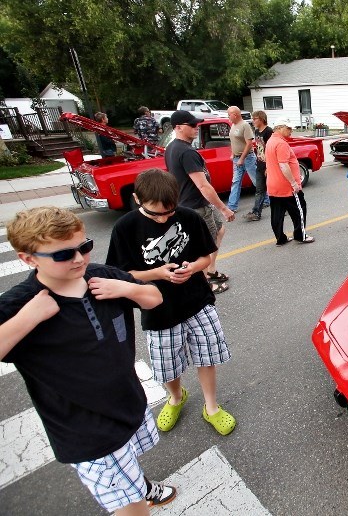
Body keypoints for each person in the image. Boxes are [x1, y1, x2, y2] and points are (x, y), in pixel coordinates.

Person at [0, 206, 176, 514]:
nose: (80, 259)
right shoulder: (19, 304)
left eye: (84, 247)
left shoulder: (101, 276)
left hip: (127, 402)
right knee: (131, 508)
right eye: (62, 255)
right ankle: (137, 493)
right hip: (85, 429)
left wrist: (126, 288)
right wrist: (28, 318)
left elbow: (155, 298)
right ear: (28, 259)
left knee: (129, 463)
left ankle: (141, 485)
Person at [107, 169, 236, 437]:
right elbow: (122, 275)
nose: (164, 218)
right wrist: (157, 273)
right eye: (156, 214)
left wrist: (193, 268)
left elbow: (206, 256)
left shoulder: (187, 216)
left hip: (198, 301)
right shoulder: (125, 228)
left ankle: (211, 406)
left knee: (207, 355)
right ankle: (176, 397)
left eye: (170, 211)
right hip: (158, 310)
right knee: (166, 364)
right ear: (136, 199)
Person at [164, 110, 234, 291]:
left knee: (219, 230)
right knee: (202, 247)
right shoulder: (186, 152)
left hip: (190, 204)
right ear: (178, 127)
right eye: (192, 125)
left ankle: (210, 270)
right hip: (196, 207)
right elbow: (203, 186)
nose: (196, 128)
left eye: (196, 124)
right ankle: (204, 284)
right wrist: (224, 209)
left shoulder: (172, 148)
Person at [265, 117, 315, 245]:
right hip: (286, 186)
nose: (291, 130)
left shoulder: (270, 141)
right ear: (280, 128)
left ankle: (280, 238)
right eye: (288, 128)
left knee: (277, 213)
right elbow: (283, 165)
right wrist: (293, 183)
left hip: (273, 184)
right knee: (299, 209)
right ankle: (300, 235)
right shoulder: (281, 143)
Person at [225, 106, 258, 214]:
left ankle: (267, 199)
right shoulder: (233, 125)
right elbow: (234, 142)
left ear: (235, 114)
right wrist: (233, 154)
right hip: (236, 158)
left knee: (256, 181)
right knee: (236, 182)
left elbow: (249, 144)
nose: (228, 116)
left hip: (247, 158)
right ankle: (232, 206)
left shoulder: (245, 125)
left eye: (229, 114)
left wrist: (242, 159)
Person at [244, 110, 272, 221]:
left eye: (255, 118)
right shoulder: (256, 131)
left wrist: (268, 166)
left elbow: (271, 150)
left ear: (262, 119)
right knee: (259, 190)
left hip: (268, 165)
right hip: (260, 164)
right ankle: (256, 213)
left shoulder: (268, 132)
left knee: (274, 190)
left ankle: (285, 209)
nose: (253, 121)